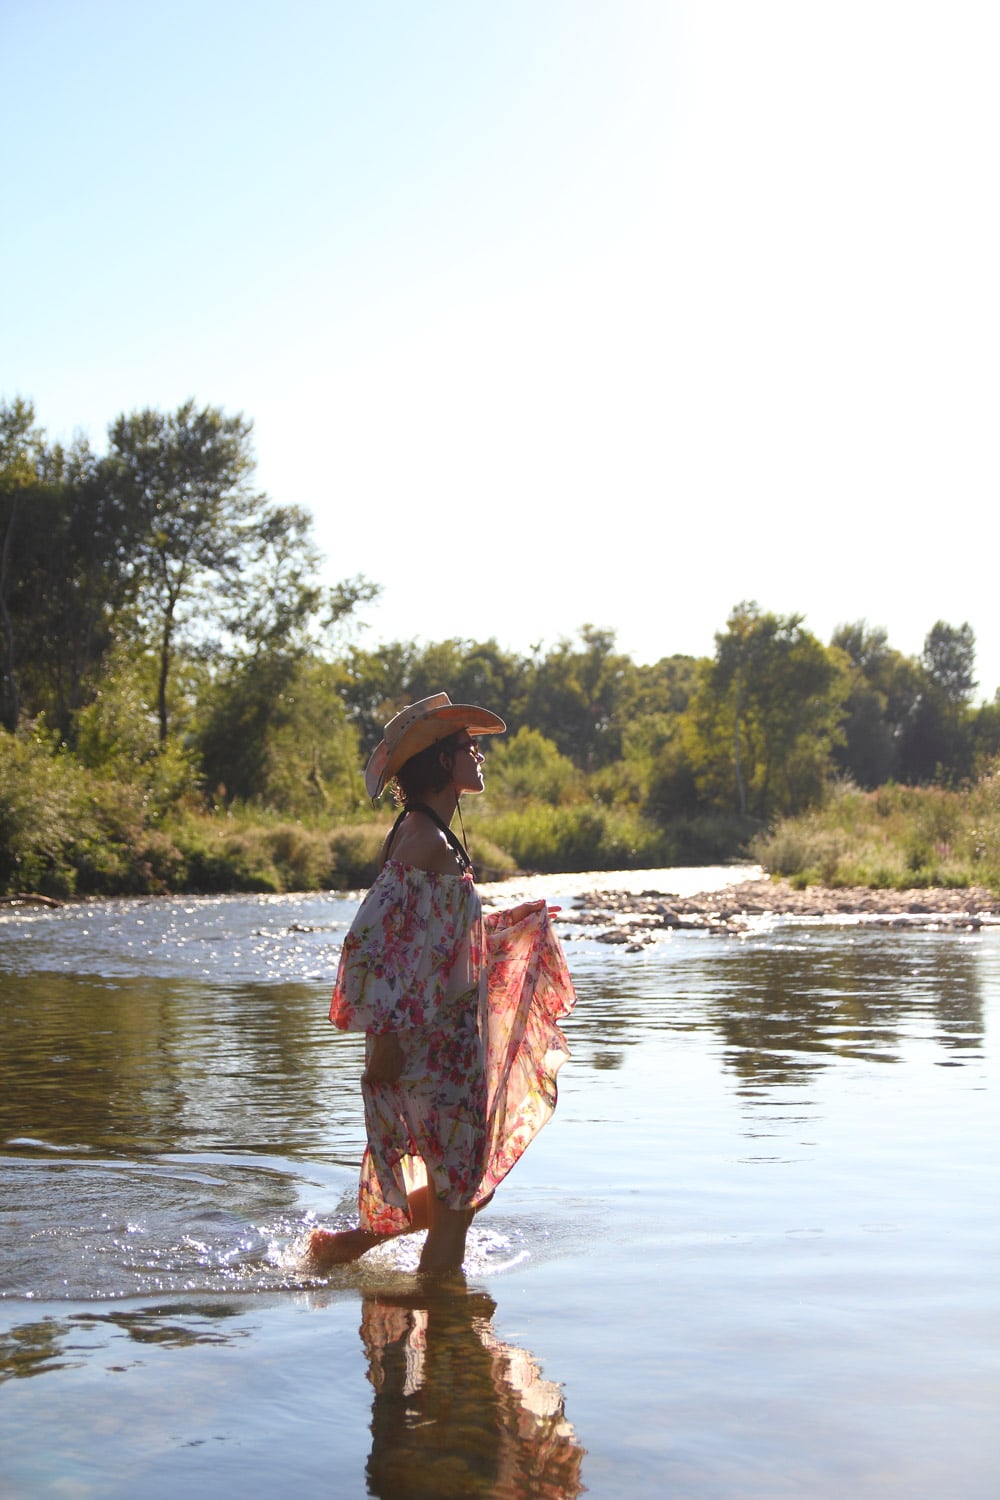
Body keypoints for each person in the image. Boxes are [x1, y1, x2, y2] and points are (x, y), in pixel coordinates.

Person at [307, 692, 576, 1275]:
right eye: (467, 746)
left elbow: (435, 940)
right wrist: (386, 1039)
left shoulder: (430, 836)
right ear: (437, 760)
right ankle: (446, 1328)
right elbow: (372, 944)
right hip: (433, 1049)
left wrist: (509, 932)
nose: (479, 755)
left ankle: (349, 1249)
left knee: (465, 1190)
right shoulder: (424, 843)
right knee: (461, 1196)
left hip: (447, 1043)